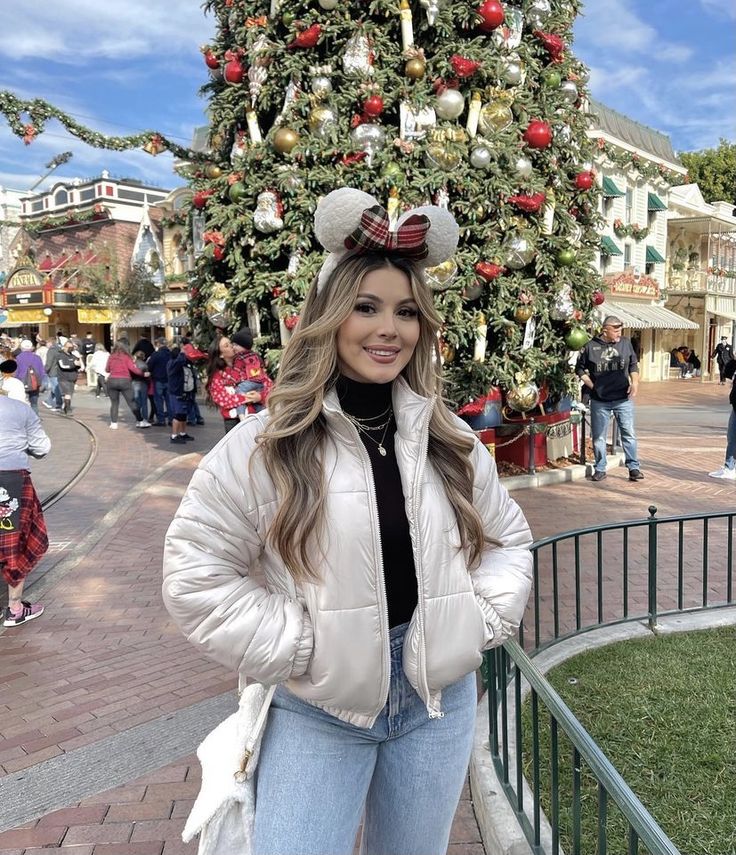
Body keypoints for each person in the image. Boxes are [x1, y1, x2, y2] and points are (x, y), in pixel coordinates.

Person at [162, 187, 534, 855]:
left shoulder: (450, 440)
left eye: (406, 311)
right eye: (366, 307)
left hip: (435, 705)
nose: (388, 329)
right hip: (319, 709)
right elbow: (194, 571)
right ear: (329, 315)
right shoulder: (266, 445)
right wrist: (298, 645)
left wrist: (476, 621)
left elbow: (509, 539)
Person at [0, 393, 50, 627]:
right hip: (11, 479)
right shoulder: (21, 409)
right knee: (14, 542)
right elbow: (42, 447)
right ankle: (15, 608)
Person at [576, 315, 643, 482]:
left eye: (621, 330)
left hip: (623, 398)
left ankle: (633, 467)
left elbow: (633, 364)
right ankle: (600, 468)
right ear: (605, 330)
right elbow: (580, 369)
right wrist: (593, 386)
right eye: (616, 330)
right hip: (600, 400)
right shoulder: (590, 346)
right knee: (599, 436)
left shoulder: (625, 343)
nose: (619, 334)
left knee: (628, 433)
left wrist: (634, 383)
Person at [204, 334, 258, 433]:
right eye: (226, 345)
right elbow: (223, 400)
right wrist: (248, 398)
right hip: (233, 421)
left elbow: (263, 384)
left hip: (255, 416)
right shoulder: (217, 375)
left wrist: (260, 396)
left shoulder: (247, 364)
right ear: (220, 354)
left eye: (231, 343)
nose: (232, 346)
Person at [105, 341, 152, 430]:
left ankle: (114, 423)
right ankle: (141, 421)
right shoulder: (127, 357)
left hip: (112, 380)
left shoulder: (111, 357)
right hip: (125, 381)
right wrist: (143, 374)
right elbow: (133, 369)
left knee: (114, 403)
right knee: (131, 402)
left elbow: (107, 369)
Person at [229, 327, 273, 417]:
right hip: (259, 383)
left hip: (247, 383)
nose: (233, 347)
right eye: (232, 345)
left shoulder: (239, 358)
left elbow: (236, 372)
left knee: (239, 395)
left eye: (235, 345)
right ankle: (263, 417)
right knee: (259, 406)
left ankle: (241, 415)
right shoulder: (256, 356)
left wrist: (231, 382)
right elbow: (261, 369)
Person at [166, 346, 195, 444]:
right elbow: (180, 361)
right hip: (176, 393)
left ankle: (182, 433)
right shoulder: (173, 364)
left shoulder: (176, 364)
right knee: (178, 415)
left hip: (182, 392)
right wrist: (183, 353)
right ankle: (174, 436)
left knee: (183, 415)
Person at [13, 340, 46, 413]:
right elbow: (42, 372)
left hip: (22, 382)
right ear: (31, 348)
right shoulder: (37, 357)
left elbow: (17, 372)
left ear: (21, 348)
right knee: (34, 404)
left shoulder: (19, 357)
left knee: (22, 403)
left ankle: (25, 420)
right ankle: (35, 420)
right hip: (35, 383)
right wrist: (40, 382)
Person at [147, 337, 172, 426]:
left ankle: (161, 420)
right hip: (169, 380)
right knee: (169, 401)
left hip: (158, 380)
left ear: (159, 344)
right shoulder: (170, 354)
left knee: (158, 400)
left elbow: (149, 366)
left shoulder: (156, 354)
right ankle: (171, 419)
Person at [56, 338, 83, 415]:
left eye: (71, 347)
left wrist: (79, 360)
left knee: (69, 394)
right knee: (67, 393)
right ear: (64, 347)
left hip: (72, 378)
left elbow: (79, 366)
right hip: (63, 378)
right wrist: (73, 364)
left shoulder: (73, 355)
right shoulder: (60, 355)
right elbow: (63, 366)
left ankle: (64, 407)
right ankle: (68, 409)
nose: (70, 349)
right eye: (68, 347)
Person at [43, 337, 64, 411]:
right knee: (54, 387)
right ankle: (48, 401)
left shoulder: (51, 351)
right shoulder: (60, 349)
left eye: (46, 343)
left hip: (53, 372)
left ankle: (59, 404)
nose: (46, 345)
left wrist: (45, 370)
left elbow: (49, 362)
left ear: (50, 343)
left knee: (55, 388)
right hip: (60, 371)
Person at [132, 351, 150, 422]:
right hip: (143, 384)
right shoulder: (145, 365)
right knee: (144, 402)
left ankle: (138, 419)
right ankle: (145, 419)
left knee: (137, 402)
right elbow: (147, 376)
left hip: (134, 383)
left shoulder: (133, 364)